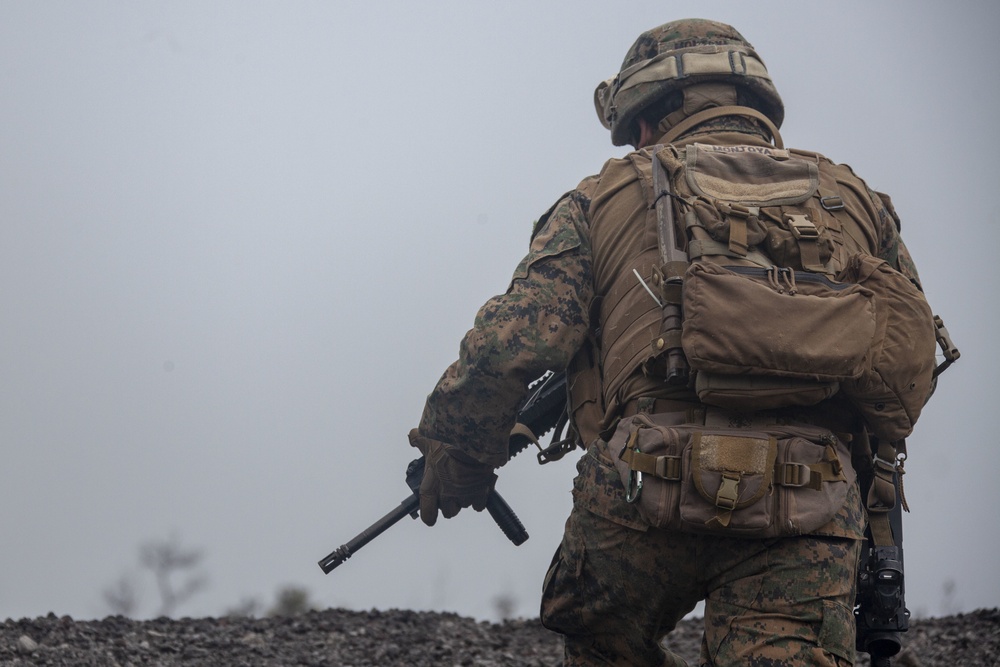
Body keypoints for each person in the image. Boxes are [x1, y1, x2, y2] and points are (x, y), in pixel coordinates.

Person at [408, 18, 936, 666]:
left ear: (647, 122)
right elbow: (908, 366)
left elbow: (510, 341)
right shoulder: (856, 203)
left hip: (642, 491)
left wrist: (457, 453)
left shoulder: (599, 197)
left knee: (598, 631)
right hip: (812, 502)